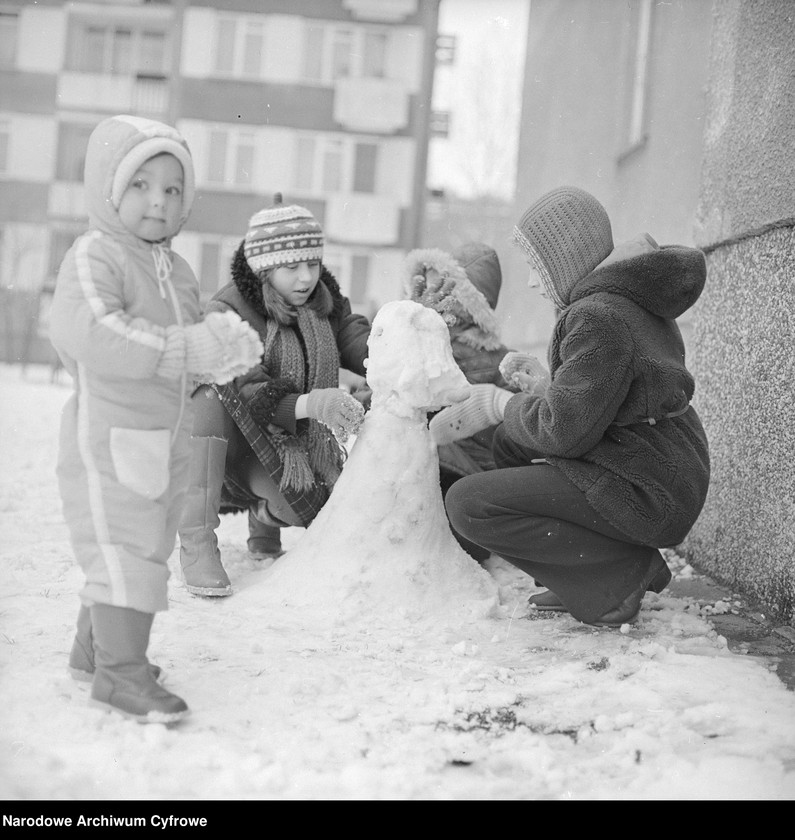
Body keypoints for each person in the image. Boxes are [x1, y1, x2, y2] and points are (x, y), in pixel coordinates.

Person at [50, 114, 263, 723]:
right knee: (125, 548)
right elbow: (88, 332)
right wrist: (180, 349)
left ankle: (94, 653)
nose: (159, 202)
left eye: (173, 189)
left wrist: (218, 350)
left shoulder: (178, 270)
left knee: (146, 542)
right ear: (109, 188)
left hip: (162, 435)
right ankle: (121, 675)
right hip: (108, 436)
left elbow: (190, 343)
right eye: (142, 185)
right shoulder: (96, 255)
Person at [432, 185, 710, 627]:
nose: (529, 281)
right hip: (663, 465)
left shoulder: (598, 316)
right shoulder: (624, 298)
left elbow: (565, 432)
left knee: (469, 504)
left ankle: (618, 578)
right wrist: (547, 386)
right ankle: (593, 573)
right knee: (510, 445)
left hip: (649, 485)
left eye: (533, 266)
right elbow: (621, 392)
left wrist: (499, 403)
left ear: (563, 260)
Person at [178, 194, 370, 597]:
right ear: (264, 268)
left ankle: (264, 515)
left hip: (285, 443)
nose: (306, 278)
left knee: (310, 509)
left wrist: (395, 350)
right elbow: (249, 391)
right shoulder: (227, 310)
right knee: (209, 394)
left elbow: (358, 340)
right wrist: (315, 403)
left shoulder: (324, 303)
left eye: (313, 264)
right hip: (229, 443)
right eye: (291, 267)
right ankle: (197, 542)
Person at [404, 242, 548, 562]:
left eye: (443, 286)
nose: (432, 293)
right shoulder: (413, 340)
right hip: (420, 466)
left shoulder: (496, 359)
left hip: (463, 472)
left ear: (472, 302)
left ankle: (468, 538)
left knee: (457, 533)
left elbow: (518, 426)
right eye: (426, 283)